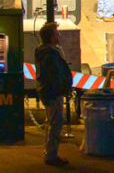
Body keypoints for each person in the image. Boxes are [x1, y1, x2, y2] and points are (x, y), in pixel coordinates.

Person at [36, 21, 72, 166]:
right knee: (55, 123)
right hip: (53, 93)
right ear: (51, 37)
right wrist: (63, 88)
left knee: (51, 122)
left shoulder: (43, 51)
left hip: (48, 92)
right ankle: (51, 155)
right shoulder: (50, 54)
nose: (59, 36)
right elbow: (55, 75)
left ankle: (49, 153)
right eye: (57, 34)